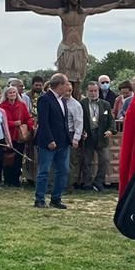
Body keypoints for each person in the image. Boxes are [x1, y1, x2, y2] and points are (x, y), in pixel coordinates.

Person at [34, 73, 81, 208]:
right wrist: (49, 140)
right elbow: (44, 122)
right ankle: (40, 199)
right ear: (59, 85)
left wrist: (69, 139)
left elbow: (64, 121)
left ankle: (56, 198)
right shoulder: (45, 99)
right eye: (66, 83)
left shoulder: (63, 100)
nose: (68, 86)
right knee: (44, 171)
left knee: (63, 170)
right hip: (48, 143)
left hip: (63, 142)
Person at [77, 80, 113, 192]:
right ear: (87, 91)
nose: (93, 93)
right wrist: (82, 131)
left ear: (98, 91)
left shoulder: (105, 104)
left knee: (105, 160)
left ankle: (99, 182)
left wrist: (111, 130)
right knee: (86, 161)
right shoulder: (82, 104)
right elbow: (78, 120)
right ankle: (87, 183)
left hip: (101, 135)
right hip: (88, 135)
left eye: (95, 90)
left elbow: (111, 120)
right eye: (91, 91)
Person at [0, 81, 34, 187]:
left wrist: (30, 126)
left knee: (18, 158)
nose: (12, 95)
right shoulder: (2, 106)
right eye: (10, 93)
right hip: (8, 135)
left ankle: (16, 179)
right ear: (6, 95)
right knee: (8, 158)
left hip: (19, 136)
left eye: (14, 93)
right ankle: (8, 179)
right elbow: (1, 121)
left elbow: (28, 118)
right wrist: (13, 123)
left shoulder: (21, 105)